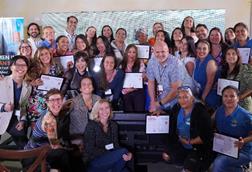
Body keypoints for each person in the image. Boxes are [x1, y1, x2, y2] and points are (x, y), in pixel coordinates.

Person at [163, 86, 213, 172]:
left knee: (188, 169)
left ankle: (195, 165)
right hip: (181, 144)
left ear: (192, 98)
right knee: (167, 156)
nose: (182, 100)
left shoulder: (201, 112)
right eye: (180, 97)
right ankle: (187, 163)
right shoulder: (177, 108)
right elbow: (170, 126)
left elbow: (207, 136)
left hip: (197, 147)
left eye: (186, 97)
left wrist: (189, 142)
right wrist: (160, 111)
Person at [25, 89, 74, 172]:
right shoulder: (49, 120)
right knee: (66, 154)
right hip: (34, 156)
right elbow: (55, 146)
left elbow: (68, 104)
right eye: (52, 100)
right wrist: (70, 148)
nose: (56, 103)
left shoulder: (55, 111)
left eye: (58, 99)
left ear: (62, 101)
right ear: (47, 102)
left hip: (44, 149)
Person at [84, 99, 132, 172]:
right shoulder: (91, 125)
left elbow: (116, 145)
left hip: (111, 159)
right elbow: (89, 149)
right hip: (95, 161)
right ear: (97, 111)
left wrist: (128, 154)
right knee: (123, 152)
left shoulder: (113, 125)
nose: (105, 111)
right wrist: (111, 154)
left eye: (107, 108)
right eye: (101, 109)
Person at [212, 86, 252, 172]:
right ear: (222, 98)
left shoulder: (245, 116)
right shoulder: (219, 111)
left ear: (238, 98)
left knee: (219, 162)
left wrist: (244, 141)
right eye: (225, 96)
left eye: (232, 96)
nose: (228, 99)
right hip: (224, 147)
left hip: (243, 150)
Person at [146, 41, 189, 113]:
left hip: (181, 98)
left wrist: (159, 104)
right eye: (157, 52)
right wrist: (153, 102)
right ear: (153, 52)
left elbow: (176, 90)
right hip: (164, 96)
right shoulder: (151, 62)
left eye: (163, 51)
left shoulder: (176, 63)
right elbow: (151, 82)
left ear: (168, 51)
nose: (160, 54)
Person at [26, 47, 63, 126]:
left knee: (50, 127)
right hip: (36, 103)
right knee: (36, 129)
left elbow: (61, 82)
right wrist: (33, 83)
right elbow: (24, 83)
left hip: (51, 103)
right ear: (38, 57)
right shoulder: (34, 69)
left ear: (50, 54)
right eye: (41, 55)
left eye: (46, 53)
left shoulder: (56, 68)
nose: (45, 56)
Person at [0, 55, 31, 149]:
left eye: (24, 65)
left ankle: (29, 163)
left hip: (14, 119)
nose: (21, 67)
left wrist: (22, 120)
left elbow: (24, 106)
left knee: (25, 146)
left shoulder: (28, 86)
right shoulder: (1, 81)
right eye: (17, 64)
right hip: (1, 116)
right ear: (11, 67)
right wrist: (3, 107)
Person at [69, 76, 100, 152]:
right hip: (77, 137)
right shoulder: (73, 102)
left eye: (89, 84)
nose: (87, 86)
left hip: (95, 135)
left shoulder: (98, 99)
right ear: (80, 88)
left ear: (93, 87)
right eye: (84, 84)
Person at [221, 47, 252, 112]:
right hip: (230, 103)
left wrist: (240, 97)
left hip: (243, 105)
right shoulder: (224, 70)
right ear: (225, 57)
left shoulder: (244, 69)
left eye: (233, 54)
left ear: (238, 56)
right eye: (228, 54)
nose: (231, 56)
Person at [193, 40, 221, 109]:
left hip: (210, 94)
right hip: (201, 91)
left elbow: (209, 83)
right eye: (199, 48)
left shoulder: (210, 62)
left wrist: (202, 99)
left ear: (209, 50)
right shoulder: (197, 60)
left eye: (204, 48)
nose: (201, 51)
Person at [121, 44, 146, 112]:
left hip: (138, 91)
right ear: (126, 53)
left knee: (139, 111)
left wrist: (130, 90)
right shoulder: (121, 64)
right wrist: (126, 90)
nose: (131, 54)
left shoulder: (140, 64)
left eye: (134, 52)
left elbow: (142, 80)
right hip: (125, 92)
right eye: (129, 52)